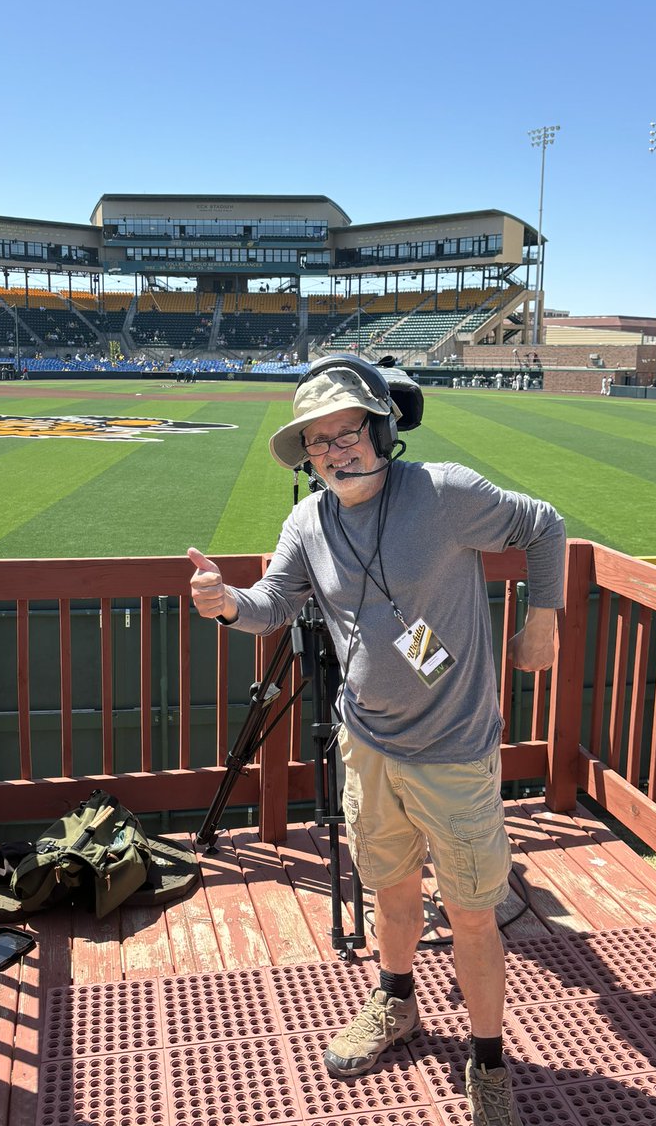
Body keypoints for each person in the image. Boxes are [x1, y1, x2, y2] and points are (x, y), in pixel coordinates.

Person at [189, 357, 565, 1126]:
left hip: (456, 751)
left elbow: (544, 524)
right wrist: (227, 602)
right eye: (317, 441)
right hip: (367, 744)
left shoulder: (445, 494)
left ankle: (488, 1062)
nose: (334, 450)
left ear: (382, 428)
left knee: (470, 915)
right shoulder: (306, 522)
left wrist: (543, 615)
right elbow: (272, 606)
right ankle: (397, 1005)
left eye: (348, 431)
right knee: (390, 894)